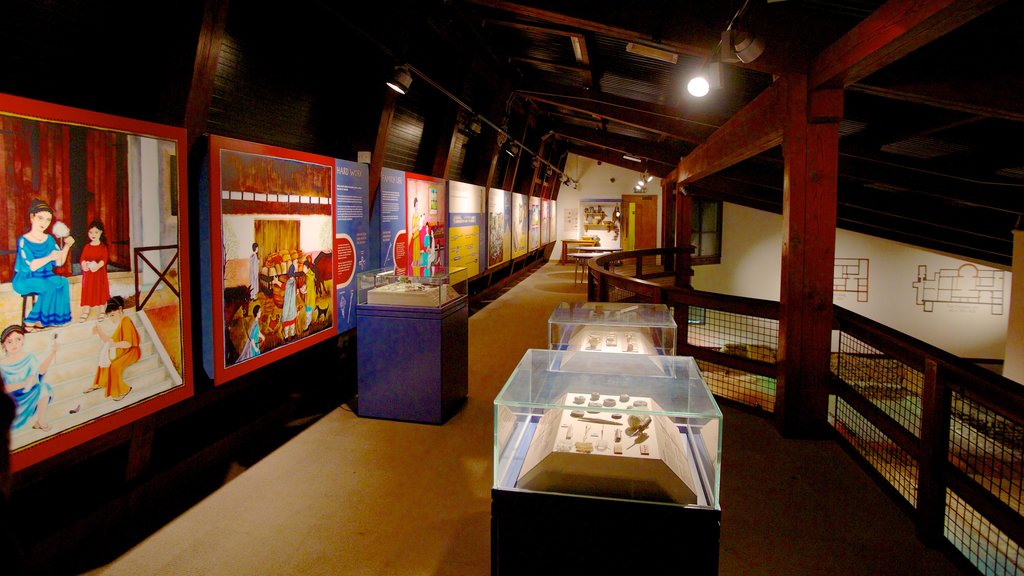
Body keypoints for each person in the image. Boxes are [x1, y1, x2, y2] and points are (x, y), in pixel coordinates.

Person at [13, 198, 75, 330]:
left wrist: (67, 246)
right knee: (48, 287)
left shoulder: (49, 239)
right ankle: (31, 320)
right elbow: (32, 266)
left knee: (62, 282)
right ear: (32, 217)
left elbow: (59, 262)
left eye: (48, 220)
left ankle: (51, 318)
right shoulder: (24, 240)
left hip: (45, 275)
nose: (44, 223)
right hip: (26, 278)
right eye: (40, 218)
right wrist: (49, 257)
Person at [0, 324, 55, 432]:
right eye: (9, 341)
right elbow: (3, 389)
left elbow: (39, 372)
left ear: (23, 340)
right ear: (4, 345)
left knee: (44, 388)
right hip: (11, 399)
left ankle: (40, 421)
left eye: (18, 339)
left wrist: (53, 352)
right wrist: (23, 384)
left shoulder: (29, 357)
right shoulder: (2, 365)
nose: (14, 344)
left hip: (29, 393)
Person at [87, 297, 139, 401]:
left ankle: (123, 389)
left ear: (120, 309)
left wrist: (113, 345)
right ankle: (100, 382)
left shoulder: (126, 321)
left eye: (112, 315)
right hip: (124, 350)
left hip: (132, 351)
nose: (111, 318)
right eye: (109, 316)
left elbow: (128, 344)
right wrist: (99, 332)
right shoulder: (121, 324)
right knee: (105, 360)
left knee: (114, 366)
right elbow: (110, 341)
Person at [78, 220, 111, 322]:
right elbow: (82, 258)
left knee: (100, 291)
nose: (93, 235)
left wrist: (98, 265)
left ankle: (101, 310)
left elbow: (104, 259)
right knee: (88, 291)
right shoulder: (87, 247)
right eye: (91, 232)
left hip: (99, 275)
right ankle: (86, 311)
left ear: (100, 233)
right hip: (89, 276)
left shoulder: (102, 247)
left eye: (96, 232)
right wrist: (84, 265)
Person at [279, 264, 298, 340]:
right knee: (292, 321)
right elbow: (296, 292)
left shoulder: (288, 283)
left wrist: (277, 281)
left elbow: (283, 288)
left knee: (287, 321)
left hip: (288, 305)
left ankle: (286, 336)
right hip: (292, 305)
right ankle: (293, 334)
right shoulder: (294, 281)